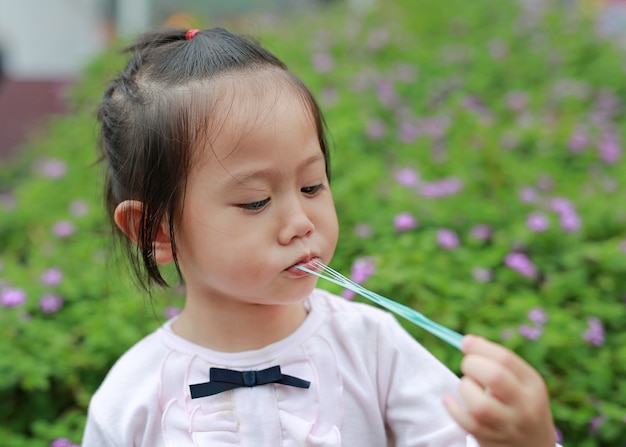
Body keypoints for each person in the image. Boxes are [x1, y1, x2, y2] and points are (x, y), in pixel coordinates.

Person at [82, 27, 559, 447]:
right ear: (157, 231)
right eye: (255, 201)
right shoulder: (131, 399)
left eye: (312, 186)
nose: (301, 222)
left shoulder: (372, 349)